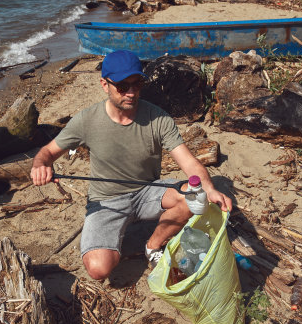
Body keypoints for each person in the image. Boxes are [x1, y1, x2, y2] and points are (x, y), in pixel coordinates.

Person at [30, 50, 232, 280]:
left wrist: (209, 188)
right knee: (99, 269)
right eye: (123, 86)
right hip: (106, 200)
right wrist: (41, 166)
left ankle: (153, 246)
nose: (131, 92)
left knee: (195, 196)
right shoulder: (86, 121)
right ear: (104, 85)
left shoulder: (159, 118)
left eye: (137, 84)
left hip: (149, 190)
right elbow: (46, 152)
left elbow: (189, 162)